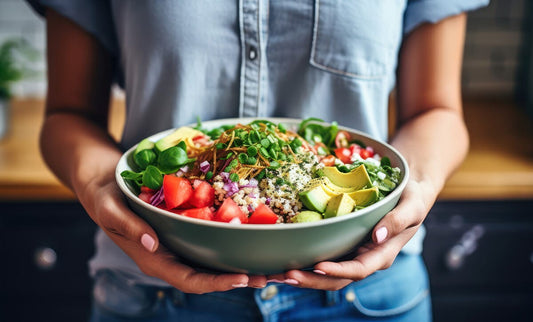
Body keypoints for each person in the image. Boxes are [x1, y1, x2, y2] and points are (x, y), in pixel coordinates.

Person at [29, 0, 488, 321]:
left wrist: (419, 185)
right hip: (153, 292)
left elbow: (438, 112)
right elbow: (67, 116)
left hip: (368, 293)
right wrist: (100, 184)